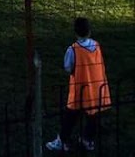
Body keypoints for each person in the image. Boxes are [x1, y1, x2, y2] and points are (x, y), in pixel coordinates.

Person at [46, 17, 111, 152]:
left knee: (71, 115)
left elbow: (68, 67)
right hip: (95, 87)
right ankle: (88, 139)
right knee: (93, 114)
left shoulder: (73, 49)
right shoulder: (97, 46)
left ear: (75, 32)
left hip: (80, 88)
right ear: (89, 31)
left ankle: (62, 140)